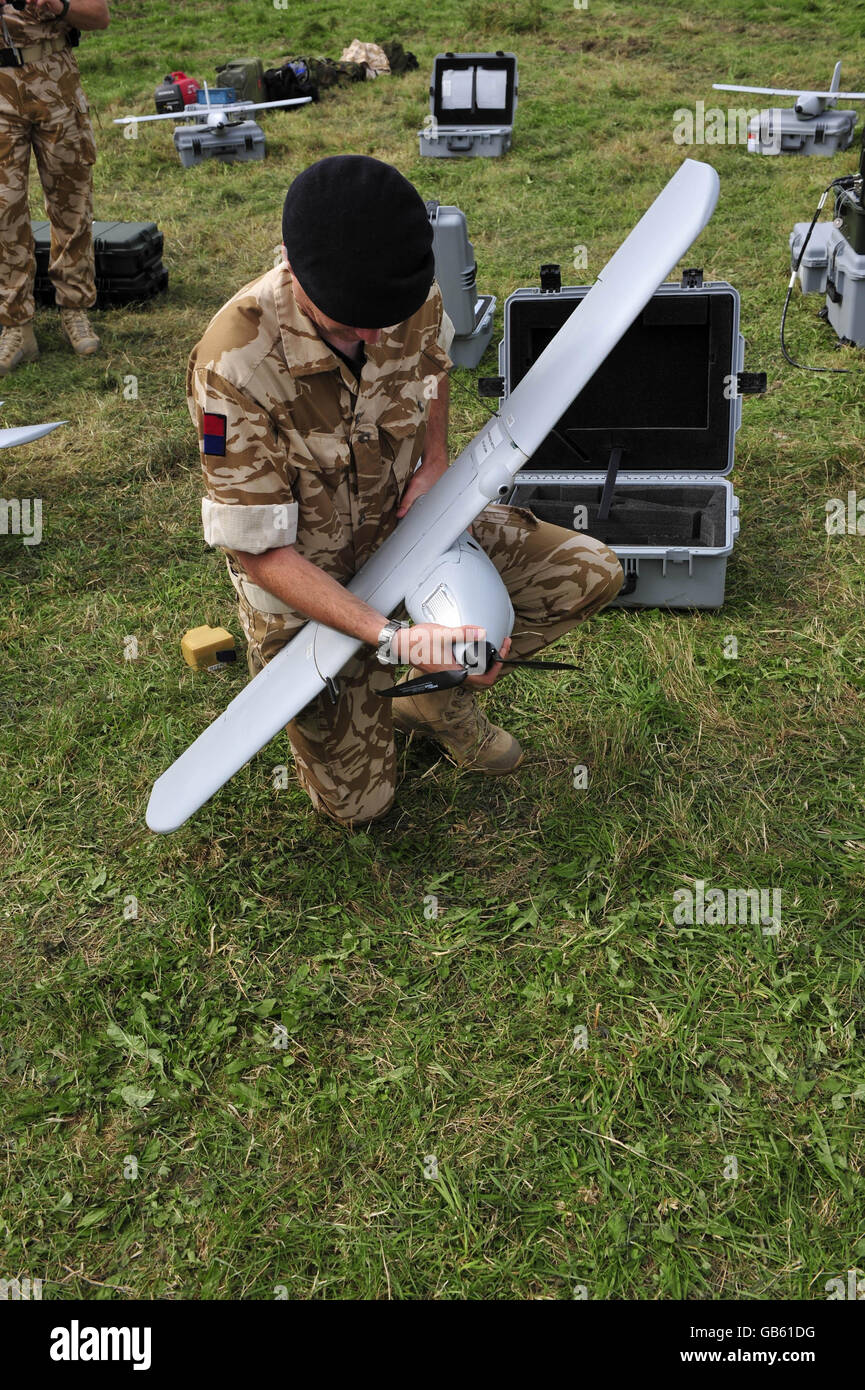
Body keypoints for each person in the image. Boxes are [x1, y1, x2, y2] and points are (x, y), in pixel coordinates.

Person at [187, 155, 623, 826]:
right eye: (344, 326)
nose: (369, 334)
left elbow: (433, 367)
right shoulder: (232, 363)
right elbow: (261, 556)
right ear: (294, 270)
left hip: (410, 534)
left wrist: (433, 464)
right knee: (361, 811)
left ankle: (433, 700)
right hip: (308, 583)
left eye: (381, 319)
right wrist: (392, 639)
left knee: (587, 574)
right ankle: (396, 685)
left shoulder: (401, 283)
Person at [0, 0, 109, 377]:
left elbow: (99, 16)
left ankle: (75, 309)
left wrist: (58, 5)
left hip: (55, 79)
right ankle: (16, 325)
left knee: (71, 202)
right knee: (3, 210)